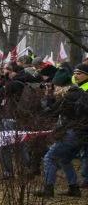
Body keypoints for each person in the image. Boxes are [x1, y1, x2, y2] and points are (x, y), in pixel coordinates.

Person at [34, 63, 88, 197]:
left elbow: (52, 111)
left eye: (79, 73)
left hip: (73, 133)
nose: (76, 75)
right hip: (81, 135)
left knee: (49, 157)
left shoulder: (72, 95)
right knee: (64, 159)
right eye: (75, 73)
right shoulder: (78, 93)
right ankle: (74, 188)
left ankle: (48, 189)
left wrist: (47, 99)